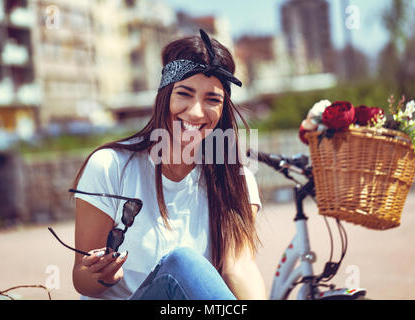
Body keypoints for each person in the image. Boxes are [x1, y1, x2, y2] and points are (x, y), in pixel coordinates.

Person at [70, 29, 267, 300]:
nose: (197, 112)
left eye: (212, 99)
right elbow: (81, 278)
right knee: (182, 264)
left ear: (223, 111)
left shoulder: (237, 179)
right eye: (184, 94)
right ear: (164, 96)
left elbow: (241, 267)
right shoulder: (110, 166)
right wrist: (101, 277)